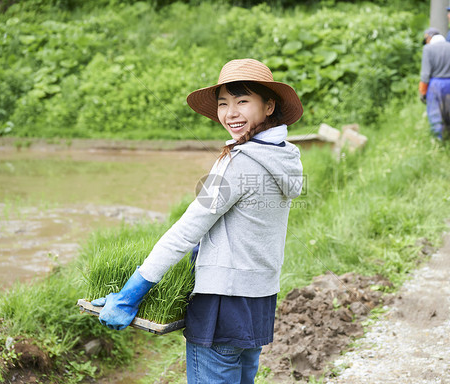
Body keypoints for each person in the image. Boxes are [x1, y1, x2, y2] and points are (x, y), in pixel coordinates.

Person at [91, 58, 304, 383]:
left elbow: (187, 230)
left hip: (222, 305)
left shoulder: (237, 163)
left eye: (242, 101)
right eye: (223, 104)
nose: (231, 113)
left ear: (269, 106)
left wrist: (131, 292)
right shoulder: (283, 157)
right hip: (259, 302)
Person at [419, 28, 450, 140]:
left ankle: (439, 139)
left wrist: (422, 92)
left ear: (429, 38)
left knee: (435, 113)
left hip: (435, 83)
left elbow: (425, 74)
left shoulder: (428, 49)